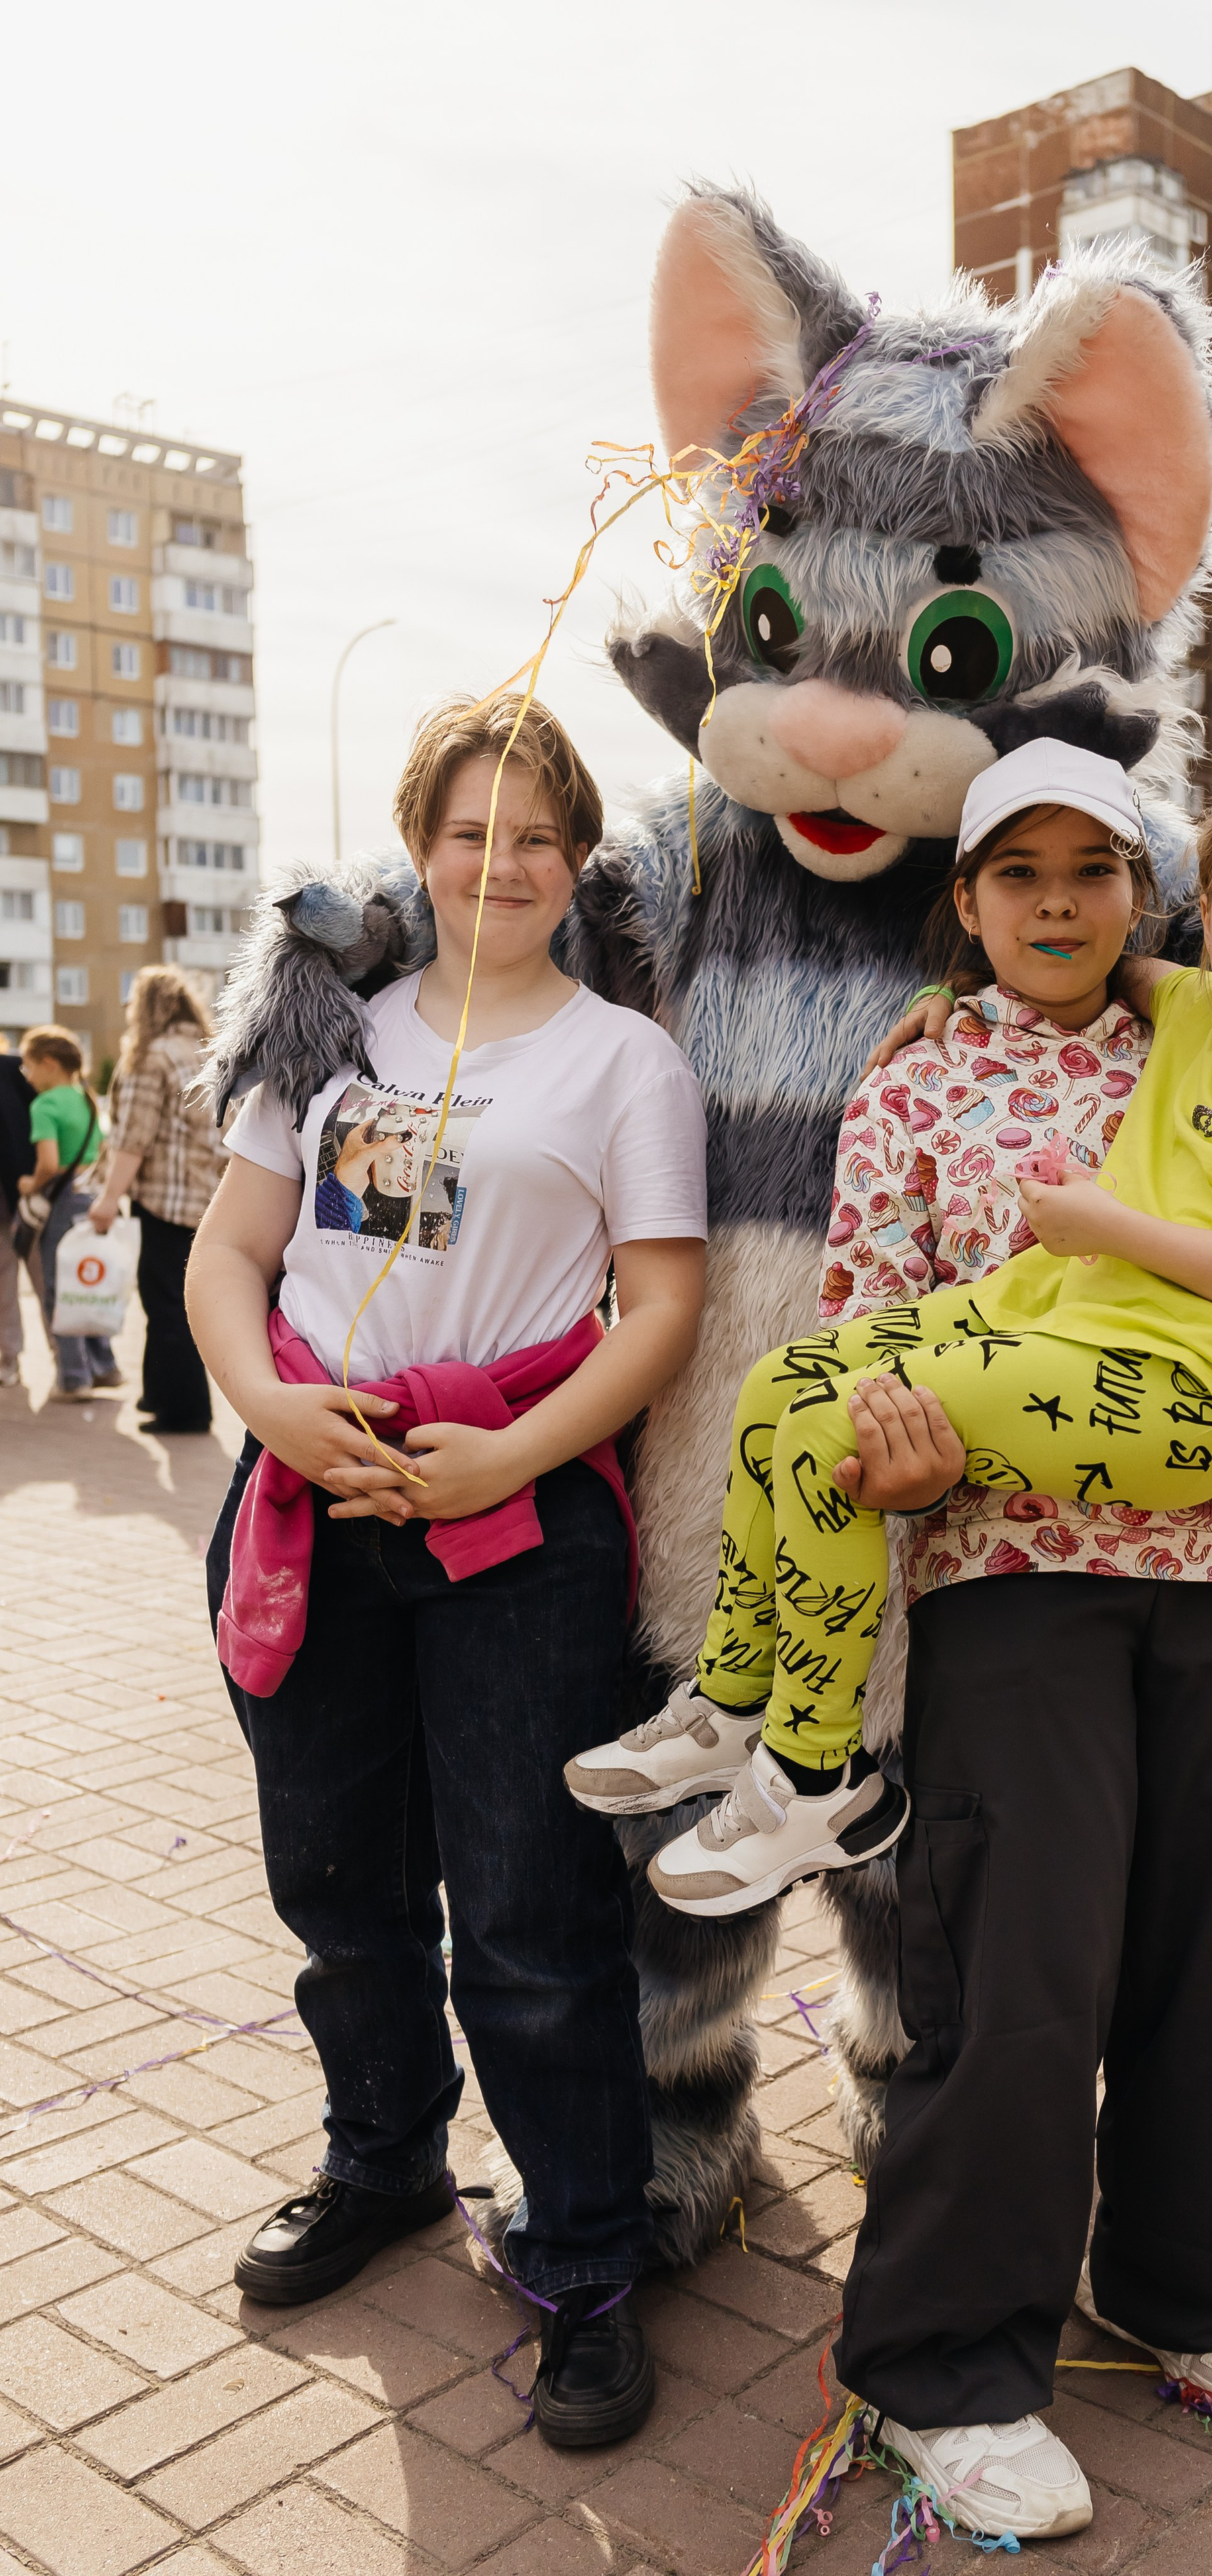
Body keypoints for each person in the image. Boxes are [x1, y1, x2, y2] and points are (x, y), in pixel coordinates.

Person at [570, 744, 1212, 1924]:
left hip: (1195, 1476)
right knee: (783, 1387)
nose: (1060, 904)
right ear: (969, 900)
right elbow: (1122, 967)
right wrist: (950, 1003)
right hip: (1020, 1505)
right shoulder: (1131, 1017)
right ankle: (737, 1704)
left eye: (1095, 872)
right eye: (1020, 875)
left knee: (1197, 1941)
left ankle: (821, 1773)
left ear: (1142, 891)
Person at [188, 694, 707, 2449]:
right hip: (313, 1490)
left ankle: (582, 2263)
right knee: (336, 1881)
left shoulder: (622, 1061)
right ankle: (383, 2161)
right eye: (472, 831)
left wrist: (513, 1453)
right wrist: (271, 1404)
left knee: (535, 1924)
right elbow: (232, 1254)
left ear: (580, 863)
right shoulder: (329, 1030)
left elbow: (663, 1306)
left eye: (539, 837)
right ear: (423, 843)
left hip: (517, 1512)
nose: (503, 864)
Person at [89, 964, 225, 1434]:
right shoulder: (209, 1051)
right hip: (208, 1197)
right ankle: (158, 1393)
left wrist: (109, 1198)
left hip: (164, 1200)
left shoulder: (153, 1056)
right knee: (175, 1300)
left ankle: (186, 1411)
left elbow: (133, 1138)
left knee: (165, 1304)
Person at [14, 1024, 120, 1403]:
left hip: (60, 1200)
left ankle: (74, 1377)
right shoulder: (86, 1097)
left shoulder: (44, 1104)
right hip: (91, 1196)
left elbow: (50, 1162)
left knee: (60, 1290)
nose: (26, 1076)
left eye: (28, 1066)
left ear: (49, 1063)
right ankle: (105, 1365)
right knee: (90, 1283)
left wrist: (30, 1182)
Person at [0, 1042, 34, 1389]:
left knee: (47, 1284)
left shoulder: (12, 1068)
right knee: (3, 1287)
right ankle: (9, 1359)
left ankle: (73, 1364)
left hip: (29, 1198)